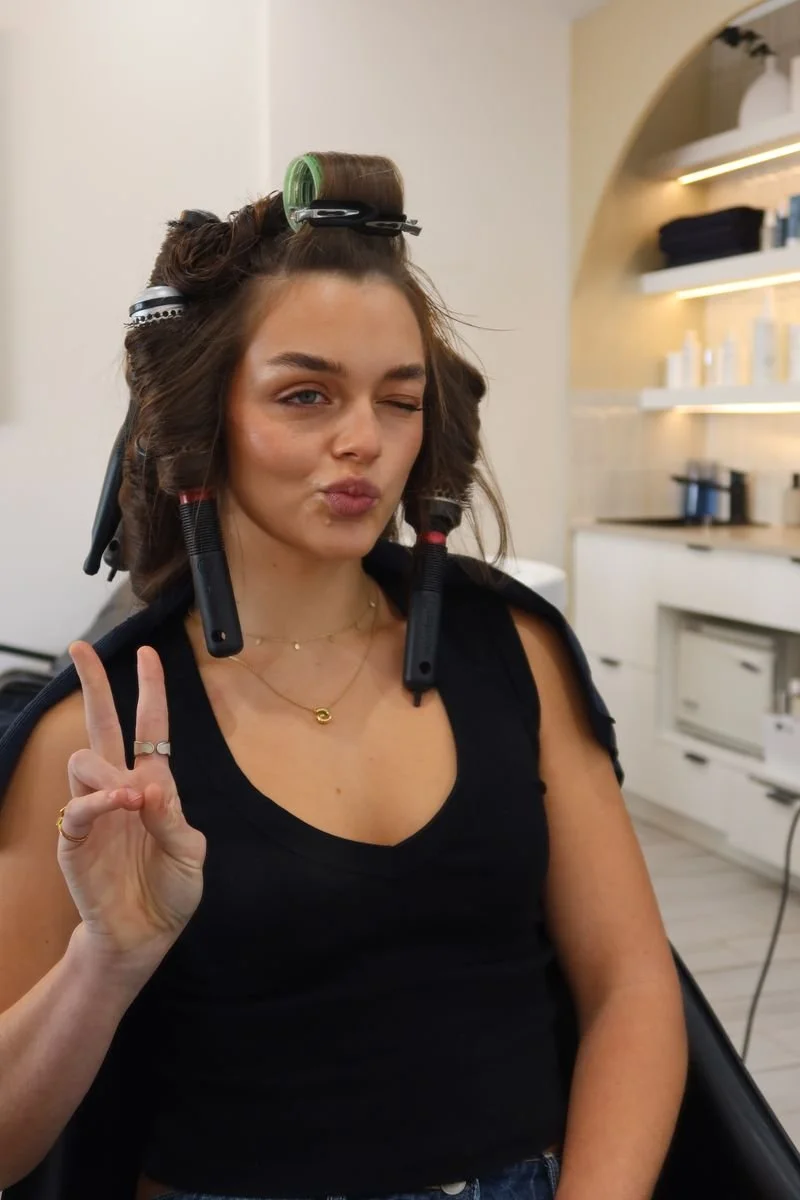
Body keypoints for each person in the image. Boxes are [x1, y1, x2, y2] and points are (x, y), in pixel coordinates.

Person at [0, 152, 688, 1200]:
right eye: (306, 394)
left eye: (397, 401)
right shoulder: (94, 739)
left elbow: (630, 987)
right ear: (203, 421)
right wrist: (106, 966)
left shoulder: (515, 655)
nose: (362, 440)